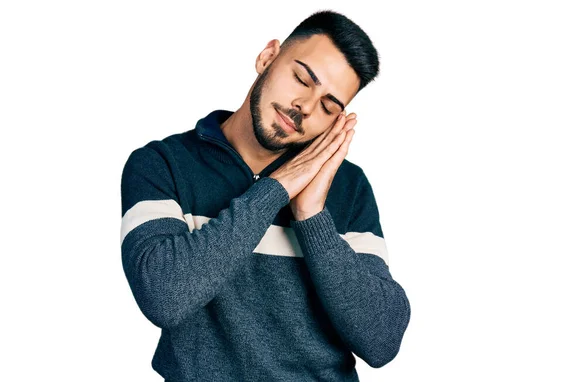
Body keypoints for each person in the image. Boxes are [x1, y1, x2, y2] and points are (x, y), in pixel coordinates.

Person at [120, 9, 410, 382]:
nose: (304, 106)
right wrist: (276, 190)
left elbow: (382, 341)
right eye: (302, 79)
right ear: (268, 57)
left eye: (327, 106)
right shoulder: (162, 164)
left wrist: (312, 217)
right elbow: (165, 296)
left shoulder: (347, 186)